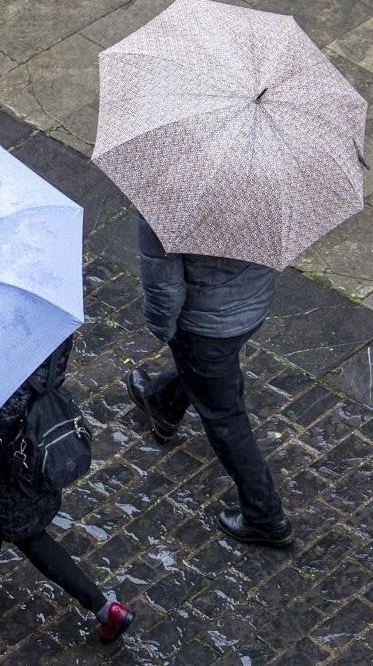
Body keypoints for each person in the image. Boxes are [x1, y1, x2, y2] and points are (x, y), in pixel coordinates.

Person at [0, 334, 135, 644]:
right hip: (39, 437)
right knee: (2, 517)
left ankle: (104, 608)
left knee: (26, 533)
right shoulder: (44, 319)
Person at [125, 214, 294, 548]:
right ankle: (161, 403)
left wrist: (163, 328)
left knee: (224, 415)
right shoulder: (269, 188)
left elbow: (164, 287)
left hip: (205, 326)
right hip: (252, 308)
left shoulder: (168, 202)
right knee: (207, 373)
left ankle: (265, 517)